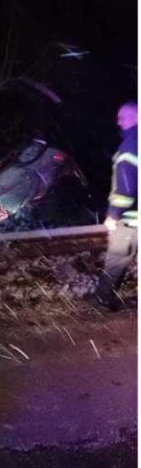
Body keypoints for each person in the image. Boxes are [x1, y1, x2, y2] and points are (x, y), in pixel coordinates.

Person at [94, 102, 138, 311]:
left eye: (123, 117)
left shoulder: (130, 146)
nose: (118, 121)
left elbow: (126, 189)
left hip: (130, 220)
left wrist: (113, 214)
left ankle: (102, 300)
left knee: (116, 259)